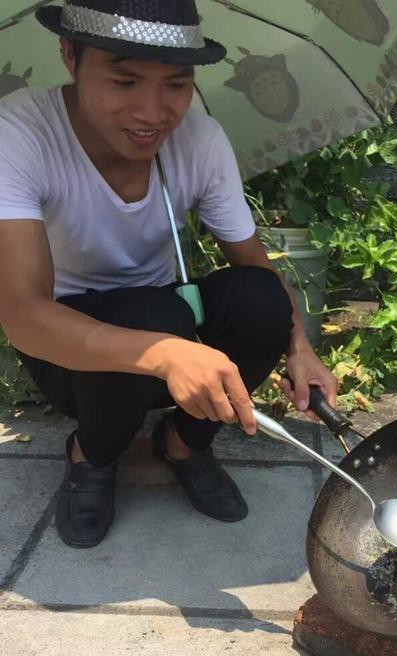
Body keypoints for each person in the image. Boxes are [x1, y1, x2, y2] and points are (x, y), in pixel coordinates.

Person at [0, 0, 338, 549]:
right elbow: (24, 317)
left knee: (260, 302)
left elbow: (255, 268)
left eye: (176, 84)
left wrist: (299, 347)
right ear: (70, 55)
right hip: (64, 344)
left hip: (166, 317)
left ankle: (183, 444)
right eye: (125, 80)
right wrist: (163, 352)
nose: (153, 112)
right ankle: (92, 455)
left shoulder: (199, 140)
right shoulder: (19, 136)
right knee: (149, 315)